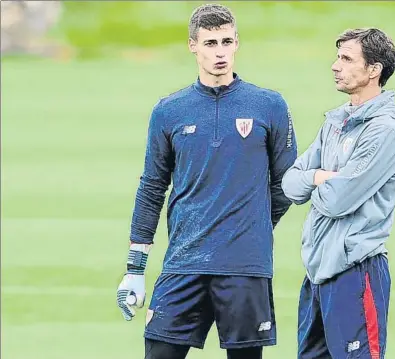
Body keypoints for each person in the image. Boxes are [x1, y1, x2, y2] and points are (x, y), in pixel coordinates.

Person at [115, 4, 298, 359]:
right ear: (192, 46)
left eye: (226, 42)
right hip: (184, 262)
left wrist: (254, 222)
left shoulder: (269, 105)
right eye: (210, 43)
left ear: (237, 44)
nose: (220, 52)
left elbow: (287, 183)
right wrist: (134, 270)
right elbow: (152, 187)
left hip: (245, 266)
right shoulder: (168, 110)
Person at [281, 28, 395, 359]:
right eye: (338, 56)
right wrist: (321, 176)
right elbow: (290, 184)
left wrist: (317, 185)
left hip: (356, 273)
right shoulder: (336, 122)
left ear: (374, 70)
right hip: (318, 275)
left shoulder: (386, 130)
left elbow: (336, 200)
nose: (335, 65)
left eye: (346, 58)